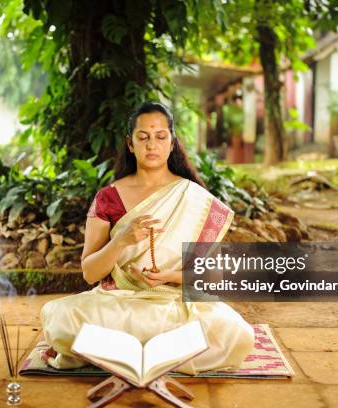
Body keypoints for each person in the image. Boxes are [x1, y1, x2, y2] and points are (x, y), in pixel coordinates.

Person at [39, 101, 255, 375]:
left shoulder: (194, 197)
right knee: (62, 318)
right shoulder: (109, 197)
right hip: (116, 302)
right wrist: (121, 241)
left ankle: (119, 355)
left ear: (172, 142)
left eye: (160, 137)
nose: (151, 144)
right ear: (131, 144)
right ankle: (163, 356)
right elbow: (90, 273)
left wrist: (169, 277)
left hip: (173, 305)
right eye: (143, 137)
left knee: (237, 333)